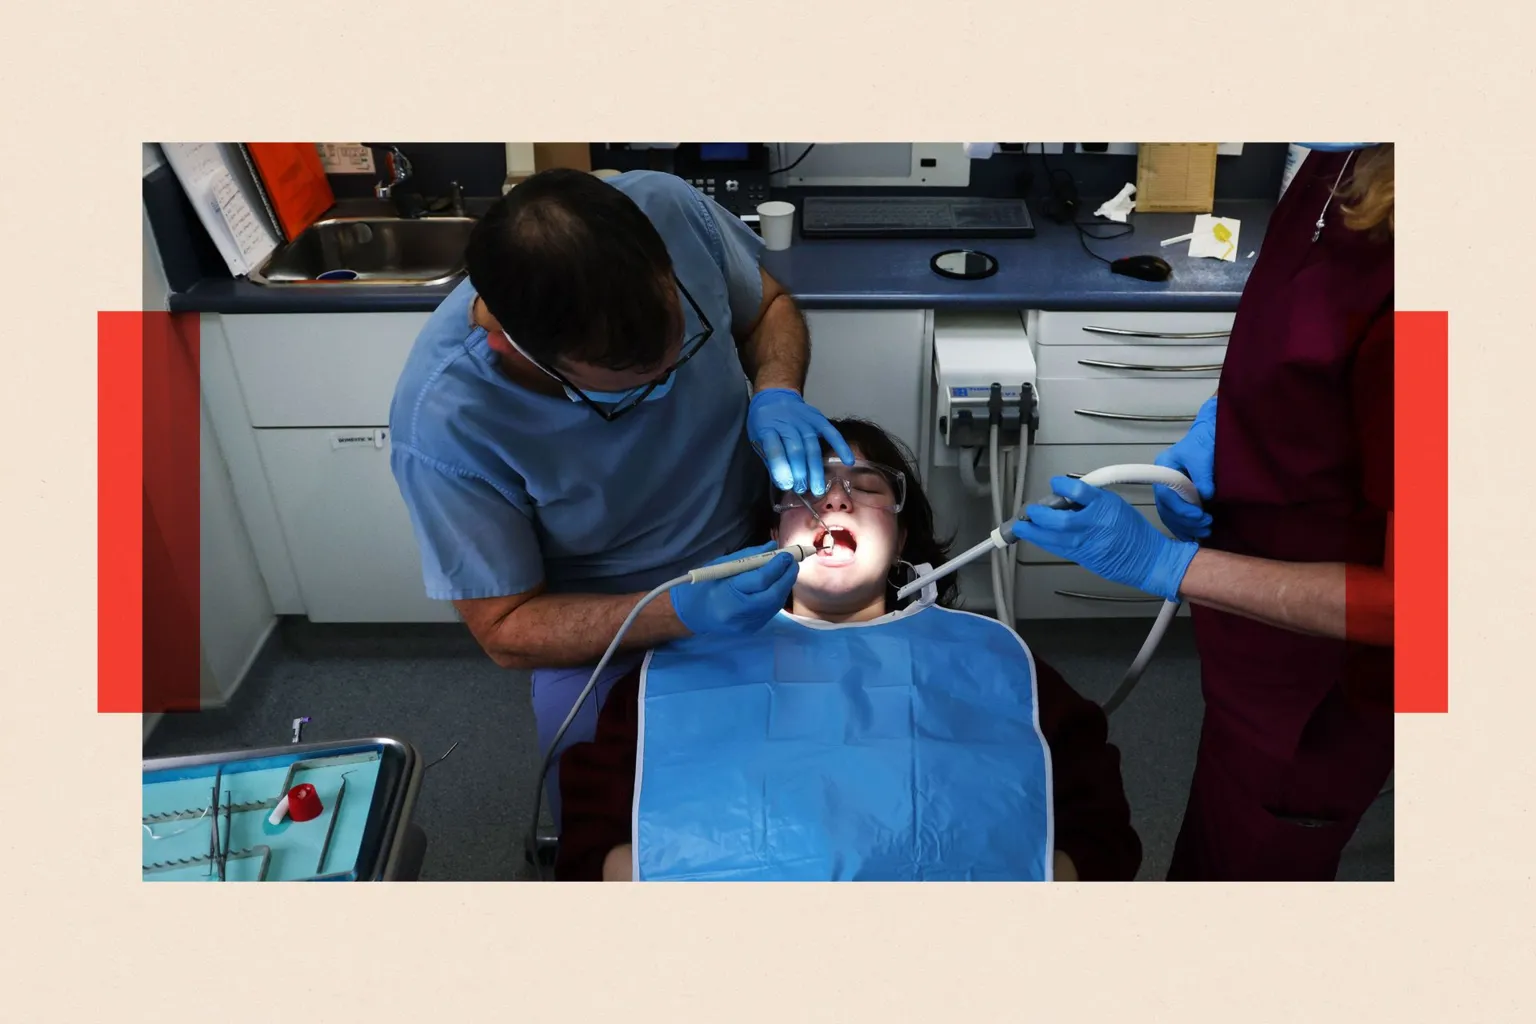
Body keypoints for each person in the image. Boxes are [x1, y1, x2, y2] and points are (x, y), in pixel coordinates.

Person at [388, 168, 854, 825]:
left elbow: (768, 310)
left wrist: (777, 387)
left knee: (824, 771)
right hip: (608, 623)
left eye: (683, 350)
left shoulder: (667, 209)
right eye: (633, 384)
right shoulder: (446, 424)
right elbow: (506, 629)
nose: (669, 384)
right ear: (516, 348)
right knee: (614, 812)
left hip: (760, 550)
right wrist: (675, 612)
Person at [1011, 143, 1395, 881]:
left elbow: (1436, 606)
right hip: (1250, 653)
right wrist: (1224, 423)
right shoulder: (1333, 169)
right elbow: (1300, 346)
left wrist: (1168, 565)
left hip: (1322, 692)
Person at [555, 418, 1143, 882]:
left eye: (864, 487)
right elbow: (590, 838)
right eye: (805, 490)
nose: (834, 502)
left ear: (903, 535)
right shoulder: (682, 666)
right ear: (771, 536)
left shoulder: (996, 663)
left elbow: (1100, 832)